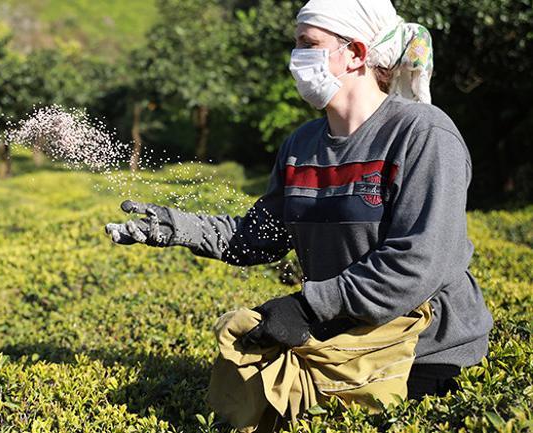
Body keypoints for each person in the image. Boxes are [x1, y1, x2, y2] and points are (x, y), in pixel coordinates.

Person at [105, 0, 493, 401]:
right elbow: (261, 235)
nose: (296, 59)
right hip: (341, 338)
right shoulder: (301, 145)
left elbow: (419, 261)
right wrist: (175, 227)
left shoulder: (423, 134)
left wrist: (308, 307)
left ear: (356, 54)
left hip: (426, 353)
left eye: (308, 44)